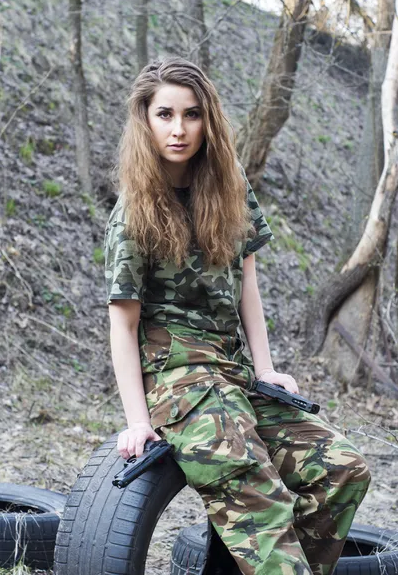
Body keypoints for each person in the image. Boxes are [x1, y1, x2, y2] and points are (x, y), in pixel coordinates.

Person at [104, 56, 370, 575]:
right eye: (164, 115)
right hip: (178, 383)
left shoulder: (229, 187)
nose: (178, 129)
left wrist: (266, 369)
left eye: (192, 114)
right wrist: (138, 421)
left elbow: (248, 283)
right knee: (260, 496)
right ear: (145, 120)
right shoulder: (134, 214)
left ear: (209, 120)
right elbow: (124, 323)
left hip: (234, 373)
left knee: (342, 470)